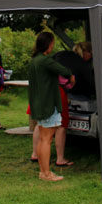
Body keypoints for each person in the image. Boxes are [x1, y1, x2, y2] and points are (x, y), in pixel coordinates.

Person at [28, 31, 74, 182]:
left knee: (42, 139)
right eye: (52, 43)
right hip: (48, 104)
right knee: (47, 140)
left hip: (39, 104)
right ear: (48, 44)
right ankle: (47, 173)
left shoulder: (34, 60)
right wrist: (71, 76)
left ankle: (43, 171)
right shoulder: (45, 60)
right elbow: (64, 71)